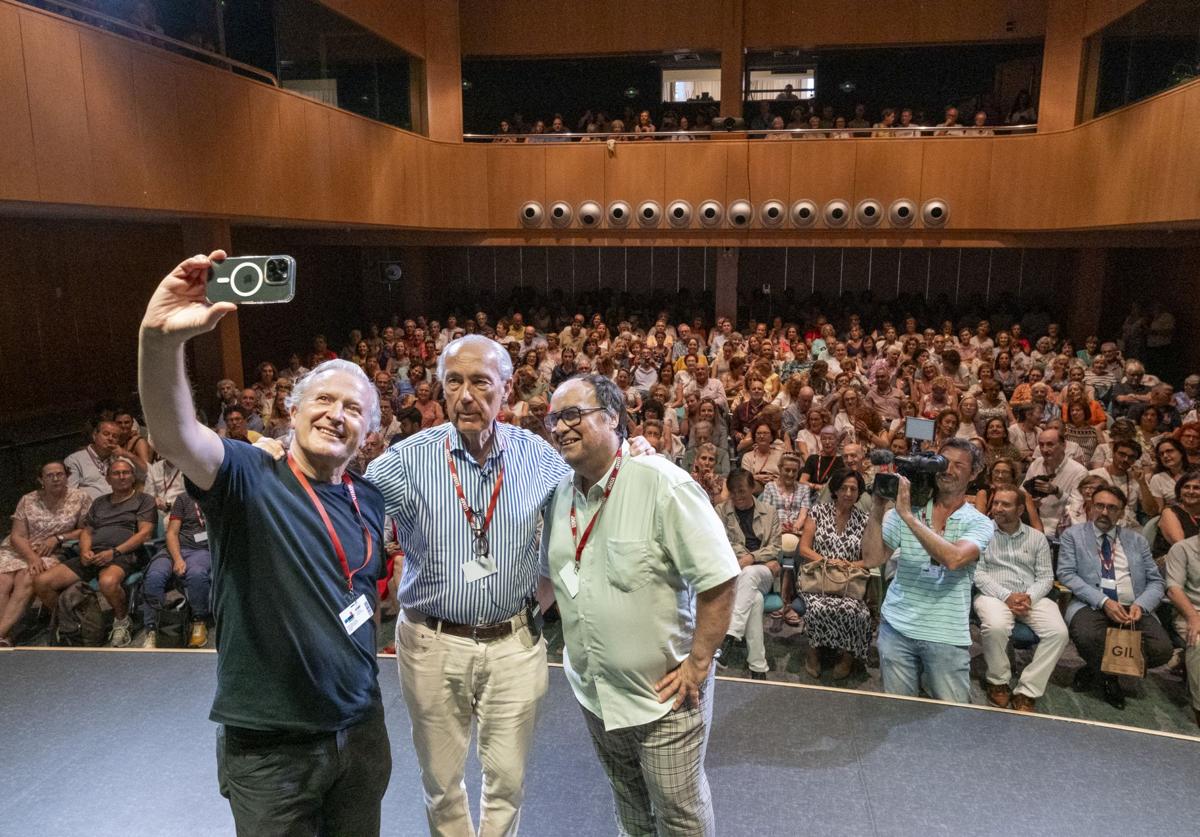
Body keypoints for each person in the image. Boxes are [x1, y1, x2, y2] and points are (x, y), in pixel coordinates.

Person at [138, 251, 391, 835]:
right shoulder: (249, 475)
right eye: (323, 401)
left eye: (354, 408)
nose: (336, 415)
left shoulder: (367, 498)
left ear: (369, 431)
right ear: (292, 410)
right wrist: (159, 341)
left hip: (359, 732)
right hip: (271, 749)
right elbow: (175, 434)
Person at [542, 373, 737, 837]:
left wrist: (698, 663)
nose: (560, 426)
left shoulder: (662, 483)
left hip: (664, 702)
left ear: (613, 418)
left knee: (678, 814)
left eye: (573, 414)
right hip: (595, 695)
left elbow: (720, 578)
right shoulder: (560, 491)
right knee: (628, 803)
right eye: (554, 417)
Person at [861, 438, 994, 703]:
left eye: (959, 465)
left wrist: (908, 516)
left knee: (950, 719)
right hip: (897, 627)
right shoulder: (905, 509)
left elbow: (954, 559)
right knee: (897, 713)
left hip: (945, 635)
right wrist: (877, 508)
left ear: (974, 473)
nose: (948, 470)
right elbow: (873, 558)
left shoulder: (978, 522)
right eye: (943, 463)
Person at [1057, 486, 1172, 710]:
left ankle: (1094, 669)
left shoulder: (1136, 540)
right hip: (1092, 603)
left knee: (1161, 650)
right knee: (1088, 636)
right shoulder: (1074, 535)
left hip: (1133, 605)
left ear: (1120, 513)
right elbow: (1066, 573)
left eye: (1112, 508)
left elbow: (1156, 580)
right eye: (1099, 505)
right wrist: (1104, 602)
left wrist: (1141, 604)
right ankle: (1110, 679)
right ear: (1090, 507)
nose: (1104, 512)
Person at [31, 457, 154, 647]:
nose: (121, 477)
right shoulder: (99, 503)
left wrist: (114, 552)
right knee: (41, 582)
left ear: (133, 477)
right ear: (108, 479)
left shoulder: (144, 500)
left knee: (107, 582)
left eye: (126, 473)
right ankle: (70, 620)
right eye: (116, 473)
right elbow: (87, 531)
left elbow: (145, 533)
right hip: (92, 554)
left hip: (124, 554)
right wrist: (84, 550)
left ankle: (122, 620)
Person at [973, 487, 1068, 712]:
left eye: (1005, 504)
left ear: (1020, 509)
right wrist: (1006, 597)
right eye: (995, 503)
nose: (997, 508)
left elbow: (1046, 577)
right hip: (993, 594)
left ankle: (1028, 690)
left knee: (1059, 633)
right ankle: (998, 682)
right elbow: (977, 574)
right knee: (996, 626)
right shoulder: (981, 533)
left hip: (1031, 595)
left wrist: (1029, 597)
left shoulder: (1037, 538)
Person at [0, 462, 91, 646]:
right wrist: (31, 557)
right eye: (50, 475)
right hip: (20, 549)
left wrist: (58, 537)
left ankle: (2, 632)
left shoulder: (80, 498)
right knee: (2, 581)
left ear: (67, 476)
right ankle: (5, 634)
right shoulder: (28, 499)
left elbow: (86, 530)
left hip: (53, 551)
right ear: (41, 480)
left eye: (60, 474)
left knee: (27, 577)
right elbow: (17, 535)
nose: (56, 478)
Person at [797, 469, 872, 680]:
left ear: (859, 493)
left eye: (853, 489)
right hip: (818, 579)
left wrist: (847, 564)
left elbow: (869, 559)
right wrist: (828, 562)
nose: (848, 493)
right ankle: (813, 653)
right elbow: (804, 548)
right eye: (844, 488)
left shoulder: (865, 520)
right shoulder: (818, 512)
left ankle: (847, 658)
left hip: (848, 580)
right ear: (835, 490)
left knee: (858, 612)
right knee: (817, 607)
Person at [717, 469, 782, 680]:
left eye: (742, 492)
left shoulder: (770, 512)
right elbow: (721, 544)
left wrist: (751, 558)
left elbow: (776, 547)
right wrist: (749, 559)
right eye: (733, 492)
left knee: (751, 573)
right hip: (734, 573)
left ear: (753, 488)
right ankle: (758, 667)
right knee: (755, 601)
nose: (737, 497)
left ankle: (730, 636)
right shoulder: (721, 511)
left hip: (761, 572)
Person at [139, 493, 212, 648]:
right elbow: (172, 533)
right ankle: (152, 628)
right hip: (174, 549)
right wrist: (178, 558)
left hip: (202, 550)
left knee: (196, 573)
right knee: (154, 576)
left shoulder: (220, 496)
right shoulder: (183, 499)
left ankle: (199, 621)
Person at [1164, 533, 1200, 728]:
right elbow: (1173, 590)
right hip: (1190, 612)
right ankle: (1199, 710)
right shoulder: (1182, 549)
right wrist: (1193, 616)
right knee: (1199, 642)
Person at [1024, 428, 1088, 537]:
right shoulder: (1036, 464)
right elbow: (1022, 492)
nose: (1044, 449)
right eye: (1041, 445)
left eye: (1050, 444)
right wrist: (1030, 500)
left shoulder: (1079, 471)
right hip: (1033, 520)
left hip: (1061, 525)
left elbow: (1078, 508)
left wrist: (1057, 491)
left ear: (1063, 445)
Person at [64, 421, 122, 499]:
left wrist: (127, 455)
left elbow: (142, 477)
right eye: (106, 434)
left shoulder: (119, 460)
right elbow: (68, 495)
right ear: (94, 435)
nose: (110, 438)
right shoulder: (74, 460)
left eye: (115, 436)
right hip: (91, 509)